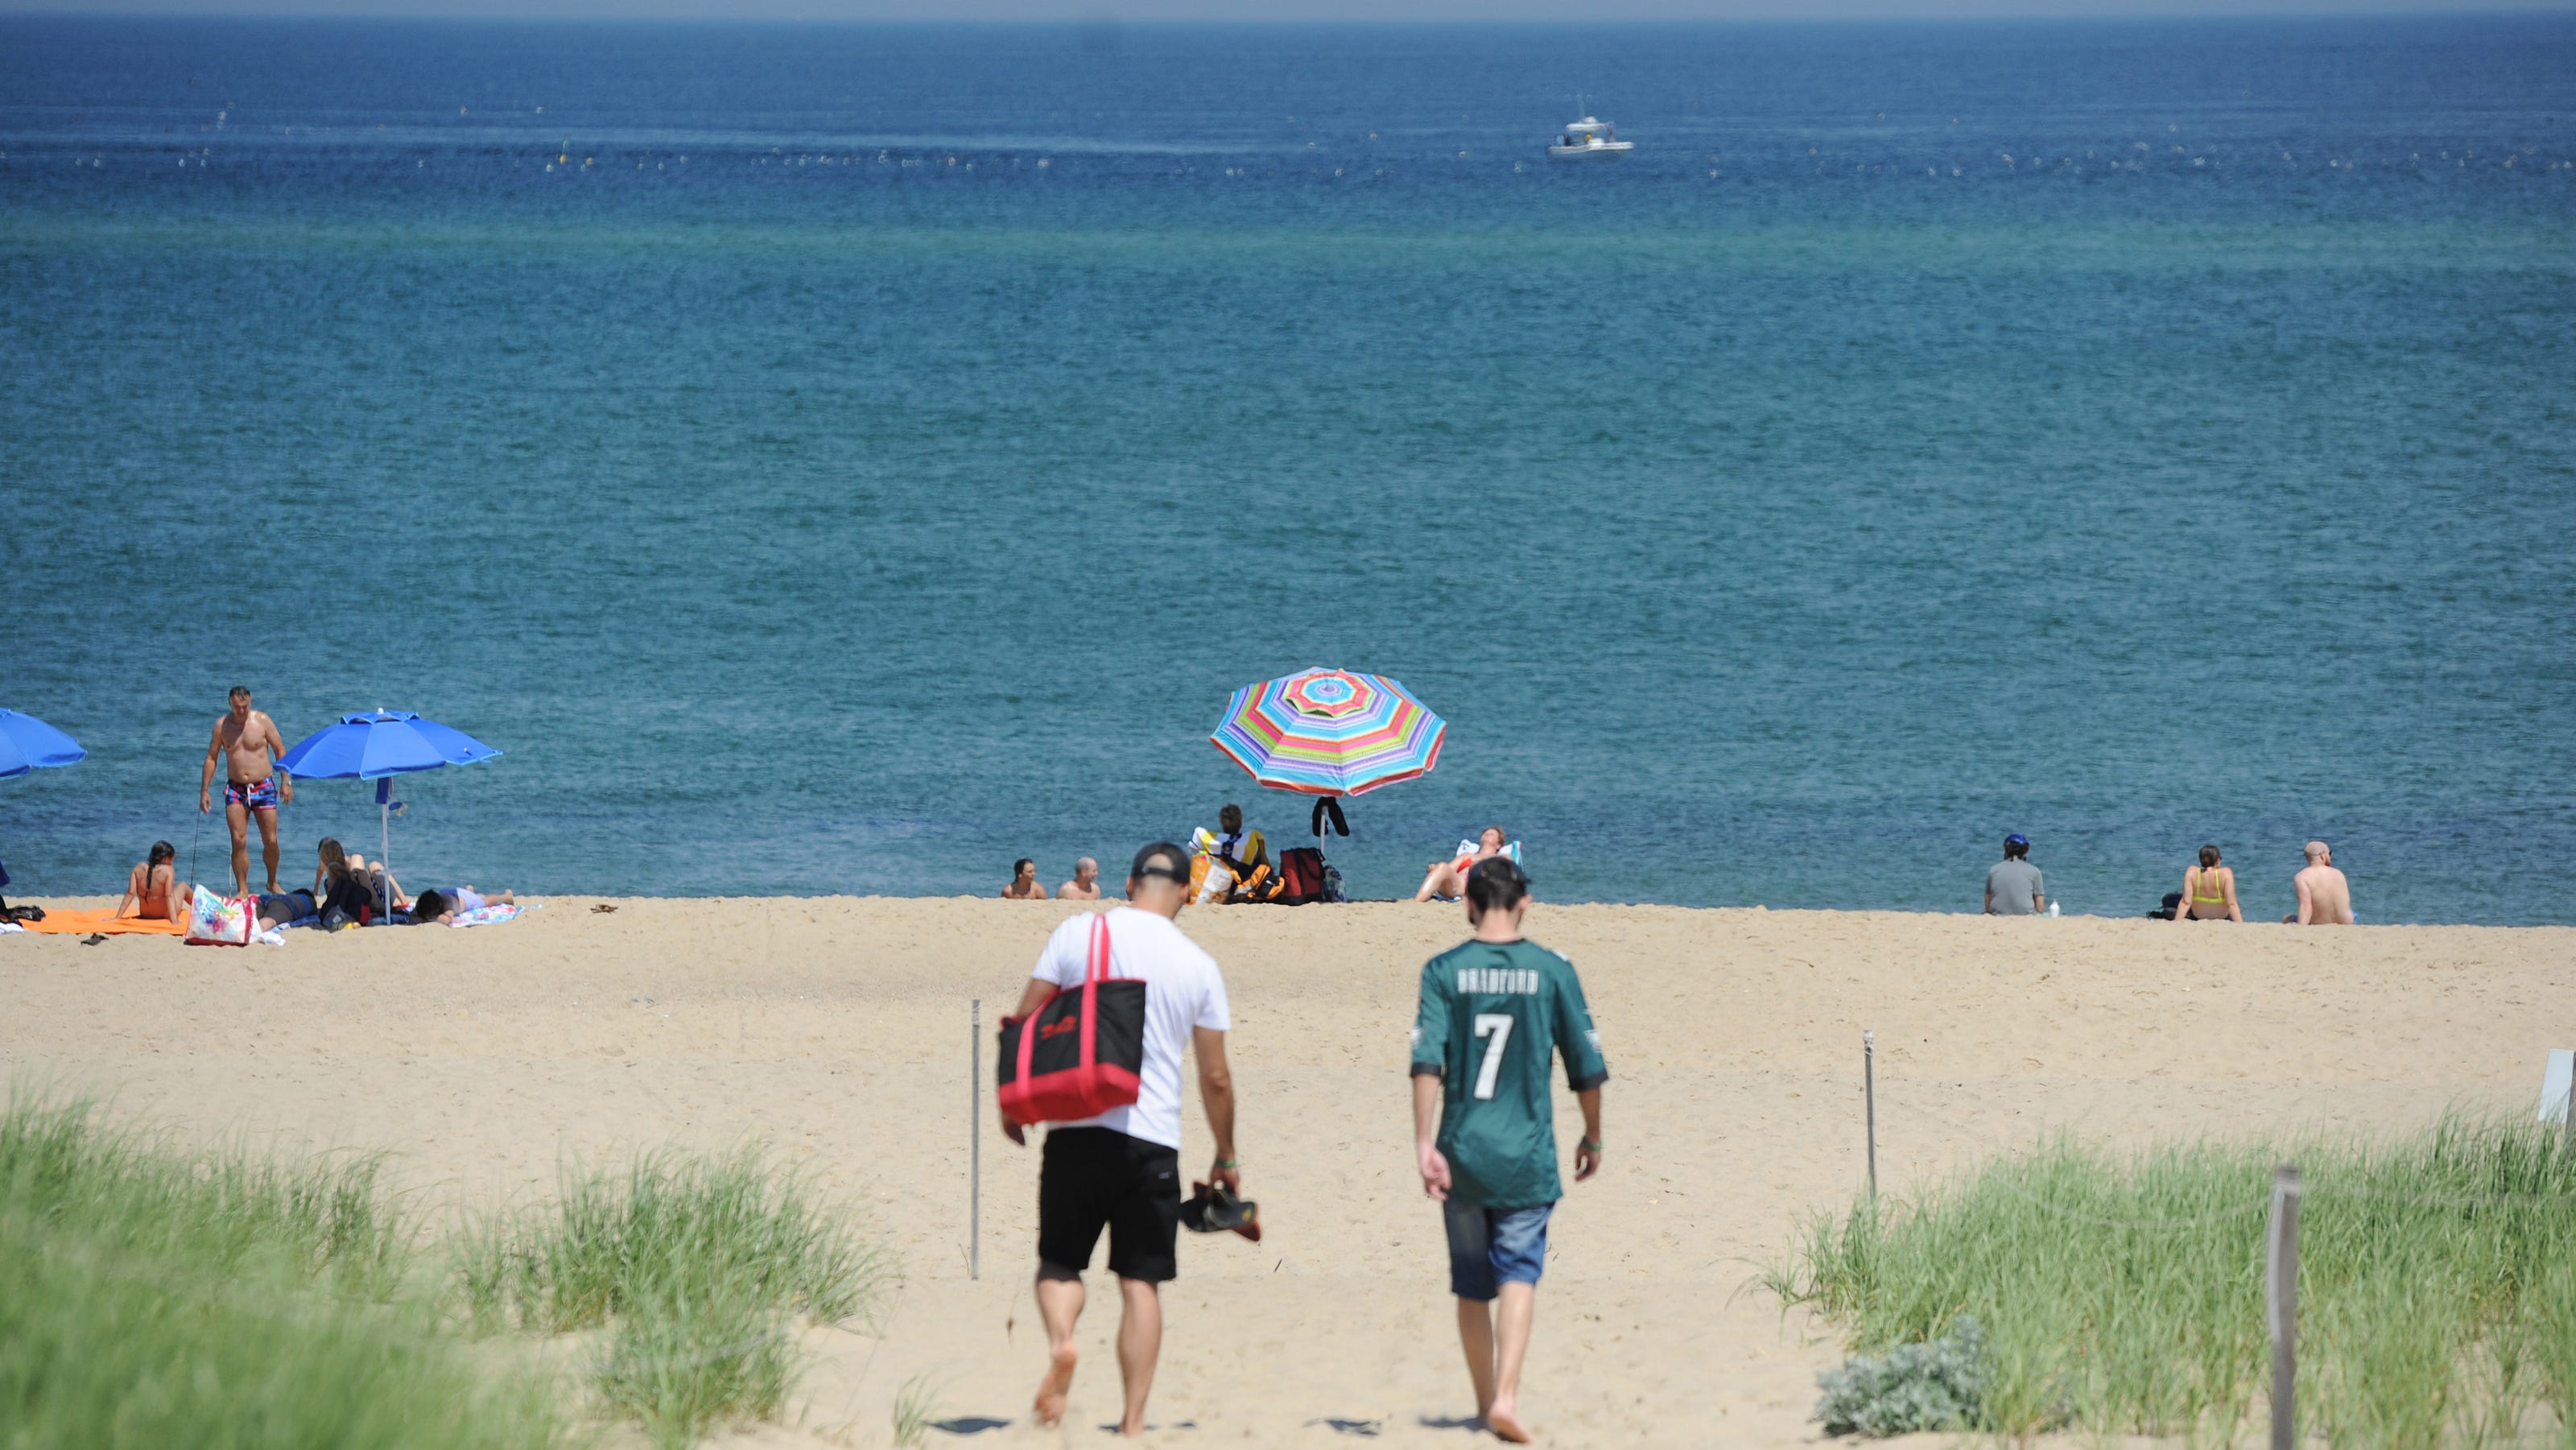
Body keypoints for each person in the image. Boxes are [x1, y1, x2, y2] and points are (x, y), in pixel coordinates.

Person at [1006, 841, 1237, 1438]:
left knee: (1060, 1261)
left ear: (1131, 883)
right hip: (1151, 1140)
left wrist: (1013, 1103)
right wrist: (1225, 1155)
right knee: (1141, 1282)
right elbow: (1215, 1078)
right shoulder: (1197, 964)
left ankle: (1063, 1340)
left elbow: (1025, 1019)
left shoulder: (1077, 933)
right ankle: (1132, 1423)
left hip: (1077, 1130)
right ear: (1187, 892)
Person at [1411, 857, 1606, 1445]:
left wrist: (1423, 1141)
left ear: (1468, 903)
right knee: (1519, 1271)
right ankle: (1506, 1396)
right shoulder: (1552, 970)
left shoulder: (1443, 969)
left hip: (1461, 1148)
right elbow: (1586, 1065)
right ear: (1524, 901)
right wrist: (1593, 1134)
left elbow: (1427, 1062)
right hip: (1525, 1152)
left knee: (1472, 1283)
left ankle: (1480, 1403)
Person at [199, 686, 293, 895]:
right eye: (237, 707)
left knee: (271, 840)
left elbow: (280, 749)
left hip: (264, 786)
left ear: (249, 702)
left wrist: (286, 781)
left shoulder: (262, 721)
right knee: (238, 840)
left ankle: (272, 882)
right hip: (236, 788)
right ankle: (243, 889)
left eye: (244, 706)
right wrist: (204, 790)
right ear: (230, 704)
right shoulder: (222, 726)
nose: (241, 711)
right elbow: (212, 757)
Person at [1418, 825, 1510, 903]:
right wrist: (1435, 868)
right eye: (1485, 834)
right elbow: (1449, 868)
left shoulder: (1501, 858)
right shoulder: (1466, 856)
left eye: (1491, 834)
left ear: (1499, 845)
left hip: (1481, 887)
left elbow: (1509, 872)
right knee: (1442, 866)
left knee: (1476, 866)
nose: (1486, 835)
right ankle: (1417, 902)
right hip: (1459, 884)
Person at [1212, 804, 1275, 902]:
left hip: (1230, 887)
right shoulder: (1253, 839)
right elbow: (1266, 864)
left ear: (1221, 823)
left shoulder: (1216, 844)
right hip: (1252, 885)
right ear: (1240, 822)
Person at [114, 841, 184, 924]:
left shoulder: (138, 868)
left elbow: (130, 893)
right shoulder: (168, 870)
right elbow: (169, 896)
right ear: (165, 858)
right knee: (183, 886)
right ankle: (202, 906)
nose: (172, 862)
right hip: (163, 914)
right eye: (172, 859)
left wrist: (118, 917)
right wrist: (175, 920)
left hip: (145, 914)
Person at [2288, 841, 2355, 925]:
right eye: (2330, 854)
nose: (2330, 857)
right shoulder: (2339, 873)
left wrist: (2301, 927)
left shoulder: (2302, 877)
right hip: (2347, 922)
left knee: (2288, 918)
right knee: (2352, 913)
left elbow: (2306, 907)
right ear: (2323, 856)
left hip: (2320, 922)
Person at [1984, 834, 2045, 915]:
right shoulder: (2035, 871)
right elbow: (2040, 907)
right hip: (2026, 915)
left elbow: (1987, 907)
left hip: (1997, 914)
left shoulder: (1994, 870)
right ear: (2025, 852)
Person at [2175, 845, 2240, 922]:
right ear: (2217, 860)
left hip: (2198, 916)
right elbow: (2231, 904)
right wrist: (2241, 924)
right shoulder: (2226, 873)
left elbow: (2185, 902)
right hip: (2221, 916)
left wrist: (2177, 922)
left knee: (2169, 899)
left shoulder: (2192, 872)